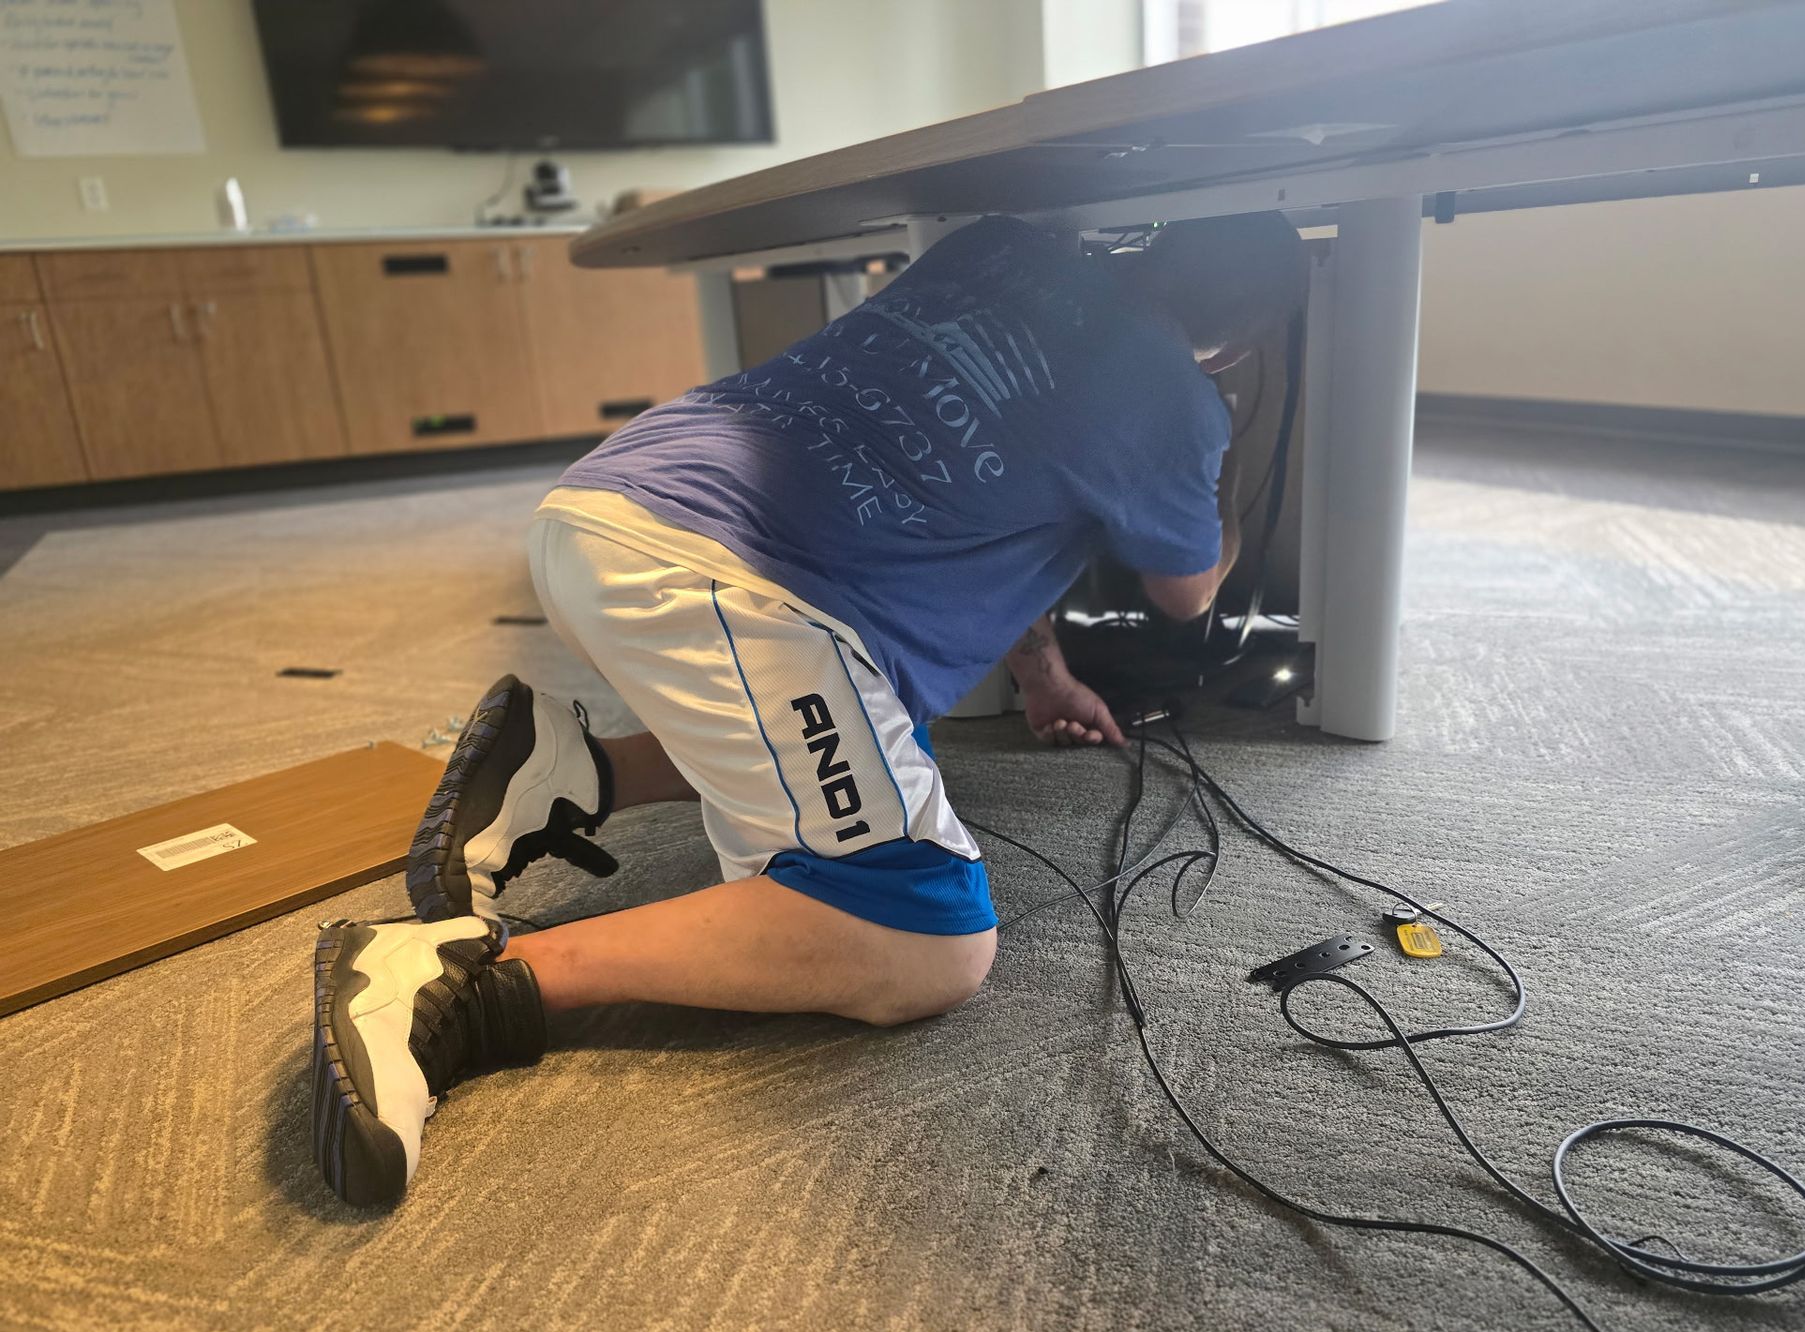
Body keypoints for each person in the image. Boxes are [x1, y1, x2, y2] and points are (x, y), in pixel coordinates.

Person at [309, 212, 1307, 1206]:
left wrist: (1045, 678)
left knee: (864, 730)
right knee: (926, 931)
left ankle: (570, 771)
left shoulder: (1004, 246)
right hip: (726, 583)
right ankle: (457, 977)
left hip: (606, 509)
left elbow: (982, 475)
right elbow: (1189, 590)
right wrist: (1212, 458)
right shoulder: (1179, 399)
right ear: (1242, 339)